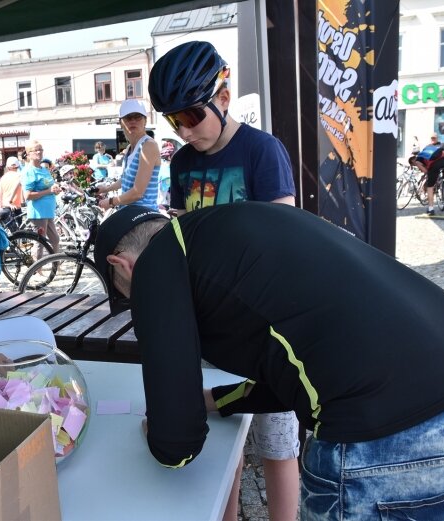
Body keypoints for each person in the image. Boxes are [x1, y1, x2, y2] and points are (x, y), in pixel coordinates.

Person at [94, 203, 444, 521]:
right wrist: (218, 400)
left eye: (127, 296)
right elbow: (297, 366)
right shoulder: (228, 224)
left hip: (382, 439)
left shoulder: (154, 265)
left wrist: (156, 432)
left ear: (122, 265)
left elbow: (177, 444)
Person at [149, 39, 299, 521]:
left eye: (192, 116)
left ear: (224, 95)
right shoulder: (182, 163)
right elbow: (178, 236)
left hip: (267, 326)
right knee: (226, 440)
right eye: (173, 121)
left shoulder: (262, 151)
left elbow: (285, 239)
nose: (185, 131)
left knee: (277, 446)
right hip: (211, 327)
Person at [97, 100, 160, 211]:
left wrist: (111, 202)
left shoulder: (148, 145)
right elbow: (125, 180)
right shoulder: (129, 149)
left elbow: (137, 193)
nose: (133, 121)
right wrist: (106, 189)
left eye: (137, 117)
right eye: (128, 118)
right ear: (121, 123)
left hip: (144, 216)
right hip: (130, 214)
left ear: (145, 121)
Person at [21, 140, 61, 257]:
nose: (39, 152)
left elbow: (50, 186)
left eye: (41, 149)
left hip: (48, 210)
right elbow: (27, 195)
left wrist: (55, 189)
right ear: (28, 154)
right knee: (40, 242)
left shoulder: (44, 169)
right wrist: (48, 191)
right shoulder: (29, 171)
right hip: (38, 212)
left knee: (55, 240)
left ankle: (56, 264)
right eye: (36, 150)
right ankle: (37, 269)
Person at [411, 143, 444, 215]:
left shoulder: (421, 154)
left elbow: (418, 163)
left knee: (430, 187)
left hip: (434, 165)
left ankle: (431, 208)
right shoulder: (437, 149)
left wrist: (427, 172)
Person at [0, 156, 24, 232]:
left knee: (9, 232)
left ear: (8, 167)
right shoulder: (20, 176)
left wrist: (0, 206)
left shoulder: (3, 178)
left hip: (5, 207)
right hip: (16, 207)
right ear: (18, 166)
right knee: (19, 232)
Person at [156, 141, 174, 211]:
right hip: (162, 205)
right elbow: (165, 191)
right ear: (169, 156)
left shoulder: (161, 166)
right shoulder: (167, 171)